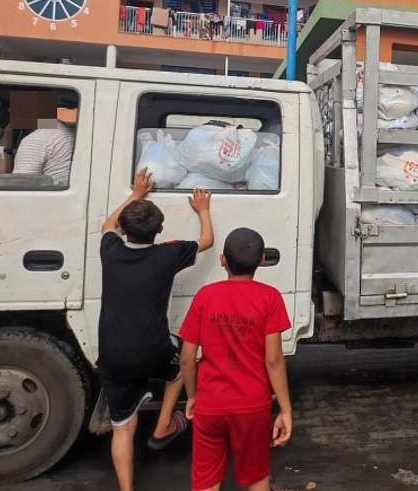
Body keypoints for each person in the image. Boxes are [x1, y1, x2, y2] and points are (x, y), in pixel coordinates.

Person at [98, 168, 214, 491]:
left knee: (122, 429)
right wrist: (203, 211)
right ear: (161, 230)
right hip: (154, 351)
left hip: (113, 355)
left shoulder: (111, 252)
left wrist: (135, 195)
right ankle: (163, 425)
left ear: (123, 230)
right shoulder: (168, 254)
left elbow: (108, 226)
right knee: (179, 369)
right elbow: (207, 240)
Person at [180, 227, 293, 491]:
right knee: (256, 478)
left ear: (222, 260)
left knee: (206, 481)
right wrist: (285, 409)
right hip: (253, 406)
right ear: (262, 260)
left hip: (210, 405)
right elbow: (274, 360)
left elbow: (187, 358)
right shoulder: (270, 298)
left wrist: (193, 395)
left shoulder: (205, 296)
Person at [12, 112, 76, 185]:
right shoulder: (71, 129)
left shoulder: (36, 140)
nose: (9, 110)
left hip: (52, 195)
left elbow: (20, 185)